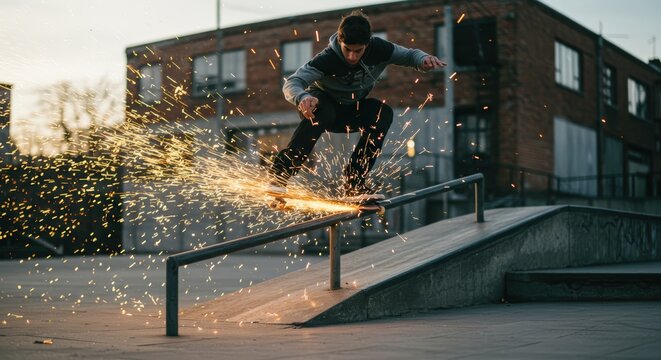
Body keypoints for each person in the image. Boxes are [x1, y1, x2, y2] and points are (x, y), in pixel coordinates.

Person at [267, 10, 446, 202]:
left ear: (367, 44)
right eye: (347, 50)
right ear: (340, 42)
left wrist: (423, 60)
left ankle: (354, 183)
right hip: (323, 107)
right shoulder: (326, 59)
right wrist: (302, 97)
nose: (352, 57)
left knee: (381, 112)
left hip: (351, 110)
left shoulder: (380, 49)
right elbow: (292, 82)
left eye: (358, 51)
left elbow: (410, 55)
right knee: (323, 111)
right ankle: (278, 176)